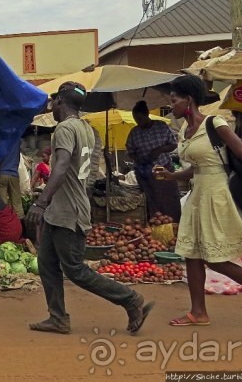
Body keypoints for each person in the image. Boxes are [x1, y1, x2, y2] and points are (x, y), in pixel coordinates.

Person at [25, 81, 153, 335]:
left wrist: (40, 202)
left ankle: (130, 299)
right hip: (61, 209)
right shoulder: (86, 129)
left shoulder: (64, 128)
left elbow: (61, 166)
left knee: (76, 270)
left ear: (60, 101)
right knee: (46, 262)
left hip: (69, 211)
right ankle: (58, 318)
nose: (52, 107)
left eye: (53, 102)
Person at [154, 75, 242, 326]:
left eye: (174, 101)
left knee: (215, 259)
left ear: (188, 100)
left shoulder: (214, 123)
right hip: (197, 195)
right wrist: (171, 176)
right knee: (192, 254)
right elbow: (198, 168)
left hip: (216, 195)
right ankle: (198, 312)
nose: (171, 106)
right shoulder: (184, 130)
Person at [125, 101, 181, 221]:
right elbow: (130, 151)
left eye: (140, 118)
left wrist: (159, 150)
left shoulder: (161, 126)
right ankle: (155, 224)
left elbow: (173, 144)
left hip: (163, 168)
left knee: (168, 198)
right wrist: (137, 158)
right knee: (151, 201)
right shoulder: (134, 132)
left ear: (147, 114)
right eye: (136, 119)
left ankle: (174, 222)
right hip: (144, 173)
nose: (138, 121)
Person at [0, 143, 24, 219]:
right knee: (17, 204)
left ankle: (5, 221)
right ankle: (20, 222)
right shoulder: (16, 140)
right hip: (14, 174)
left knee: (3, 204)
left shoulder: (0, 141)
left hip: (2, 174)